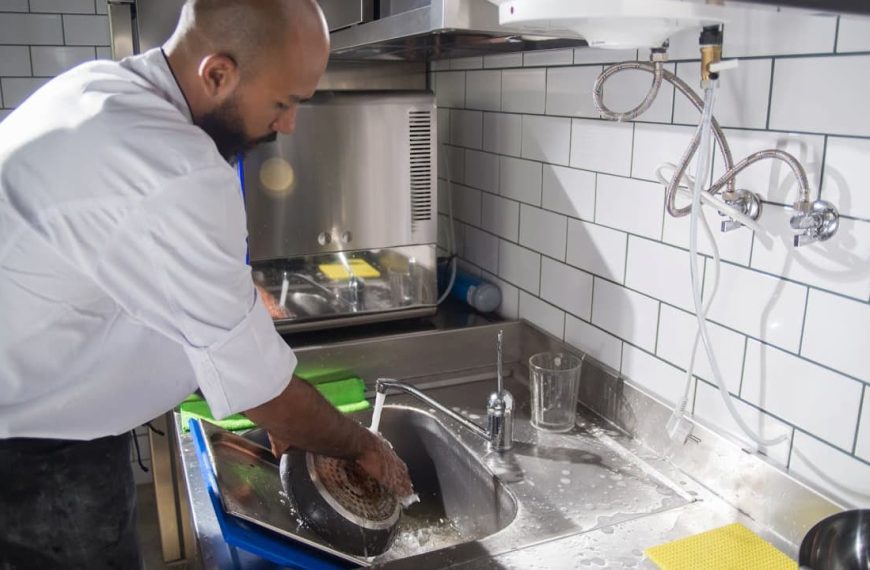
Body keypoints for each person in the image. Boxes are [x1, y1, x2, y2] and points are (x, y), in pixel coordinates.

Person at [0, 0, 412, 567]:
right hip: (37, 460)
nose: (288, 124)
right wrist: (362, 444)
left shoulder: (101, 88)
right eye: (283, 102)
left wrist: (233, 301)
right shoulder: (176, 167)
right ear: (217, 73)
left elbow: (118, 254)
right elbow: (260, 390)